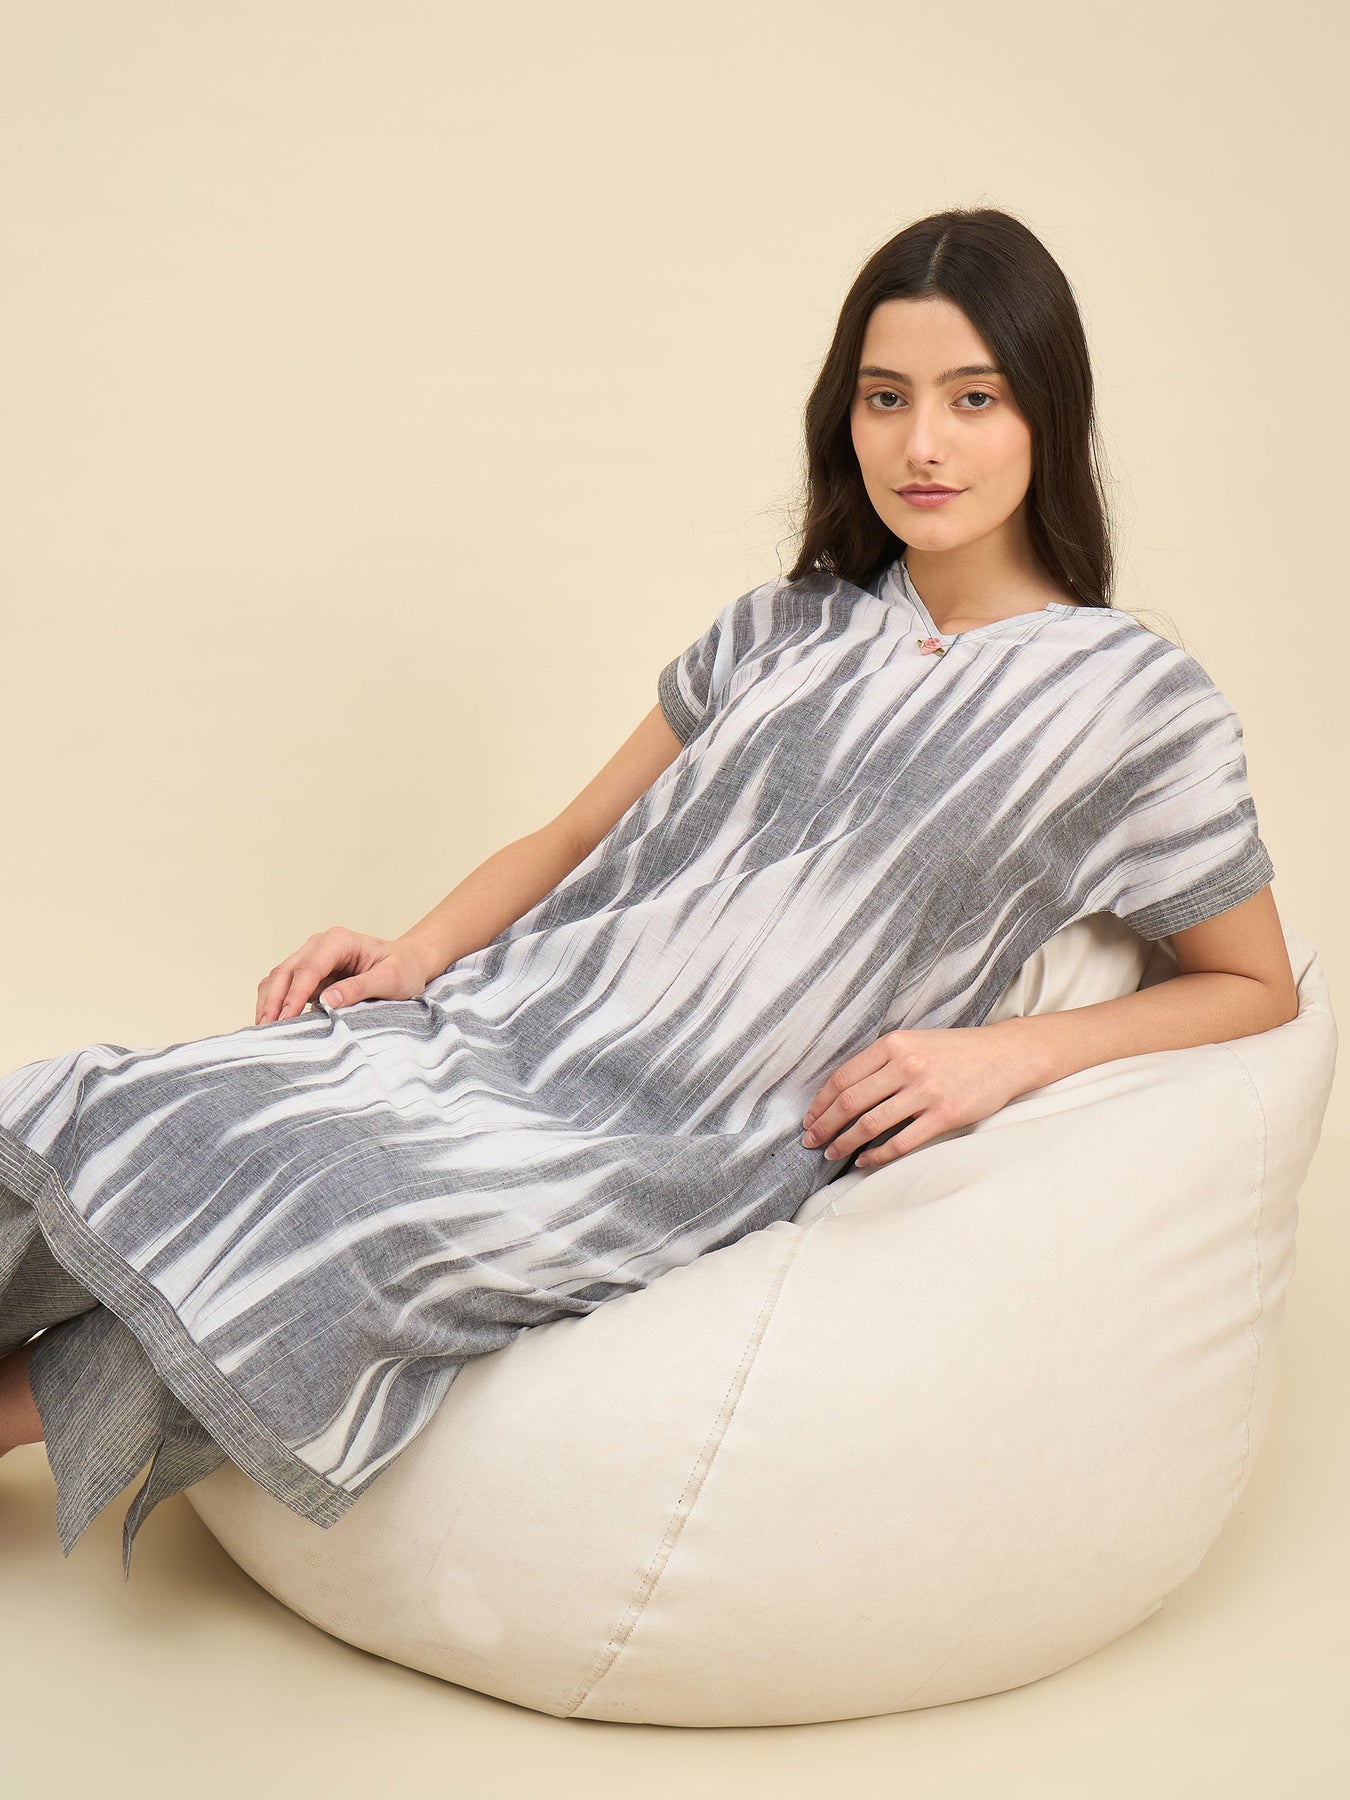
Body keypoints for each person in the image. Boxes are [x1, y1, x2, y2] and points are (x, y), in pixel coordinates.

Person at [0, 206, 1296, 1581]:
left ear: (1045, 412)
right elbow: (574, 835)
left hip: (691, 1130)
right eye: (886, 398)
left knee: (342, 1213)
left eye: (973, 399)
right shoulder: (784, 624)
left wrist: (1003, 1056)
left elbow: (1255, 984)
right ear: (845, 419)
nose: (923, 444)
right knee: (148, 1101)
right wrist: (418, 951)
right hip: (517, 1022)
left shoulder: (1134, 702)